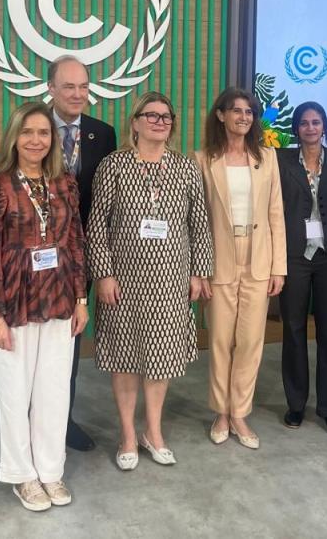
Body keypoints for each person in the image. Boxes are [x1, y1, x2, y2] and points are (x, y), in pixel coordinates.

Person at [86, 92, 212, 470]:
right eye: (151, 115)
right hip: (123, 281)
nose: (160, 121)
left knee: (161, 358)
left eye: (167, 116)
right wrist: (103, 273)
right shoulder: (114, 165)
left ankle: (153, 432)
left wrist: (198, 271)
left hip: (171, 280)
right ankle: (127, 433)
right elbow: (97, 224)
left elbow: (199, 223)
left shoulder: (185, 168)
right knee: (126, 357)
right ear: (135, 122)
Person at [0, 101, 88, 510]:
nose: (36, 140)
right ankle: (23, 475)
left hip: (60, 299)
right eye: (28, 132)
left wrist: (81, 298)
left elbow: (75, 243)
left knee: (55, 391)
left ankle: (51, 471)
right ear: (14, 137)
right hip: (14, 303)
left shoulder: (65, 184)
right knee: (15, 392)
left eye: (44, 133)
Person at [195, 87, 287, 449]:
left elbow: (276, 214)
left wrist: (278, 267)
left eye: (249, 112)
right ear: (221, 115)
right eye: (236, 111)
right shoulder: (202, 159)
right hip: (218, 258)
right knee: (220, 340)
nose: (243, 118)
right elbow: (196, 219)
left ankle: (240, 414)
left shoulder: (267, 158)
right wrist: (199, 270)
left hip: (259, 258)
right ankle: (220, 411)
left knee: (250, 342)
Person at [47, 55, 117, 452]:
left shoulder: (101, 133)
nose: (77, 94)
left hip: (83, 254)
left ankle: (63, 418)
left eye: (83, 87)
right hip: (38, 254)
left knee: (71, 336)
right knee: (37, 335)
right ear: (51, 89)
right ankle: (31, 418)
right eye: (68, 86)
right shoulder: (32, 127)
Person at [277, 101, 327, 434]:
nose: (310, 128)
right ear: (296, 128)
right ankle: (296, 404)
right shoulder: (280, 162)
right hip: (294, 256)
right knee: (292, 330)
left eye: (316, 122)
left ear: (325, 126)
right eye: (304, 123)